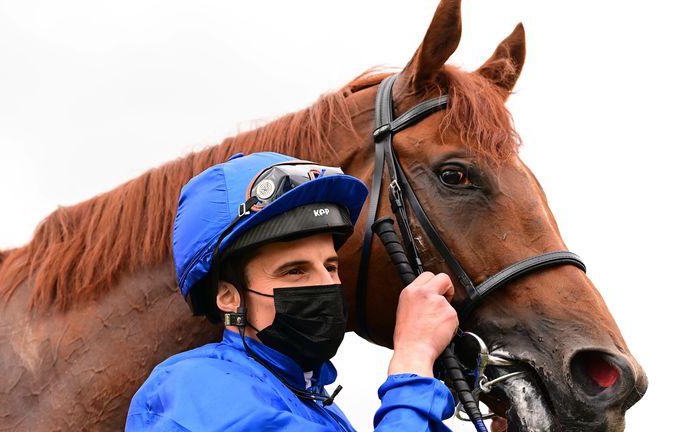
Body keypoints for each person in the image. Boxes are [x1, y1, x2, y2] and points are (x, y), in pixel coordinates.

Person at [126, 152, 459, 431]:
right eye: (295, 271)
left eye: (330, 267)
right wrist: (413, 358)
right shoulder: (193, 387)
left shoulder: (318, 403)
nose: (327, 285)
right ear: (228, 296)